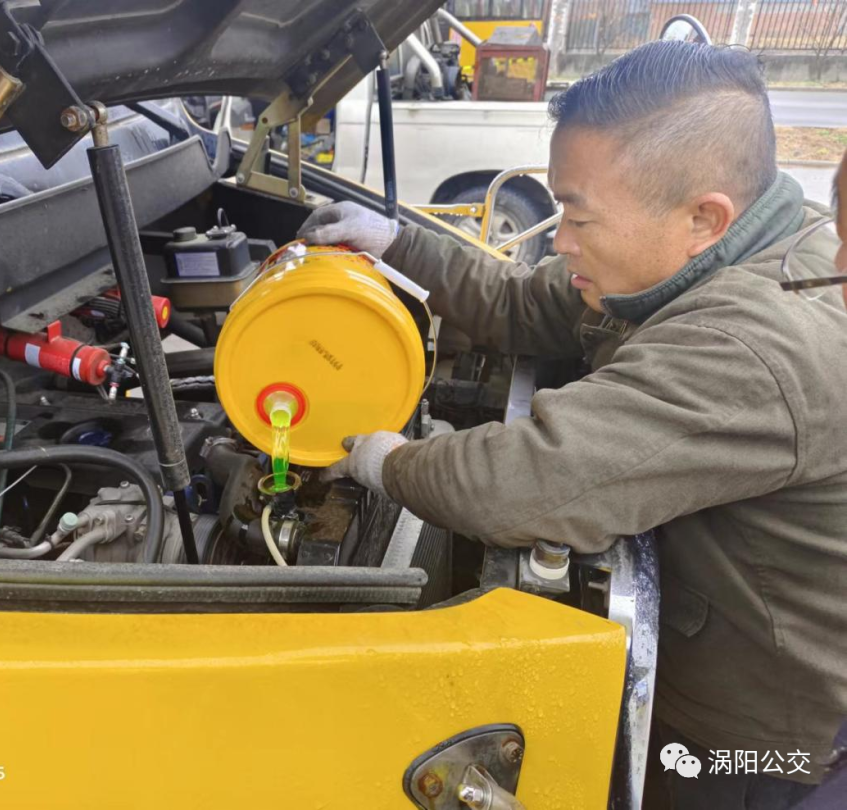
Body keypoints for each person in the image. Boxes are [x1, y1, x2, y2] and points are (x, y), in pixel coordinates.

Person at [298, 42, 847, 809]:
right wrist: (397, 242)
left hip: (746, 745)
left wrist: (386, 463)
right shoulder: (700, 252)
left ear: (702, 217)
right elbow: (525, 302)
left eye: (579, 216)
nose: (560, 239)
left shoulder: (754, 345)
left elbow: (525, 484)